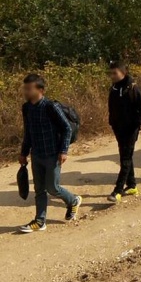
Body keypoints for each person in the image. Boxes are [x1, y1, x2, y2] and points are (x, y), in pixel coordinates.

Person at [19, 74, 82, 232]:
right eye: (25, 88)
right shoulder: (26, 108)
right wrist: (24, 153)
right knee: (39, 189)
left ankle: (73, 200)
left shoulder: (50, 106)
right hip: (36, 154)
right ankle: (40, 221)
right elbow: (28, 132)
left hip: (53, 154)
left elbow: (66, 128)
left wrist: (63, 151)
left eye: (29, 88)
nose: (25, 91)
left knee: (53, 188)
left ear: (40, 90)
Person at [107, 61, 141, 202]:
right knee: (125, 156)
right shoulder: (113, 89)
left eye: (115, 73)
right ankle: (132, 185)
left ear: (123, 73)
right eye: (111, 73)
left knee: (125, 159)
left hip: (131, 130)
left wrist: (137, 124)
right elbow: (112, 108)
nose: (112, 76)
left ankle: (117, 191)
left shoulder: (133, 88)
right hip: (118, 129)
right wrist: (112, 123)